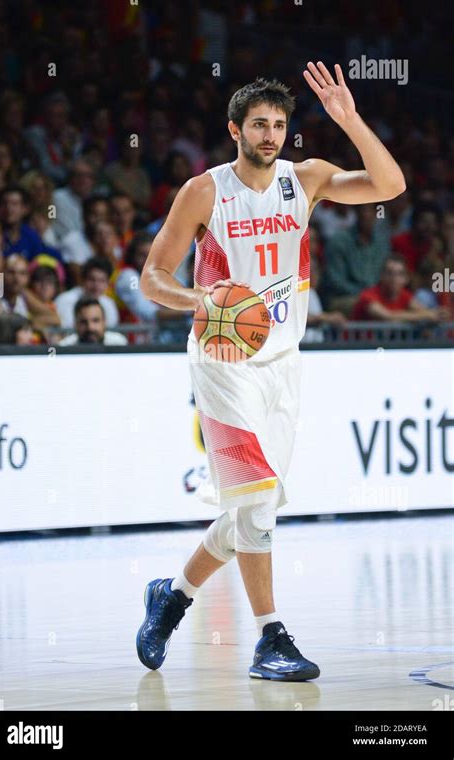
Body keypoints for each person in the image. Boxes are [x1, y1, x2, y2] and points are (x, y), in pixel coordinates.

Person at [136, 69, 406, 681]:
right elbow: (152, 277)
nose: (270, 134)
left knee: (249, 514)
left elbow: (390, 183)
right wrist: (201, 300)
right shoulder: (203, 191)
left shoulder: (305, 180)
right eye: (258, 123)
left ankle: (171, 598)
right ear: (234, 129)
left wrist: (348, 120)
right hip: (223, 359)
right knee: (256, 504)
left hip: (283, 362)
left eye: (279, 125)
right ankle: (270, 639)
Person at [352, 254, 447, 323]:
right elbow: (387, 316)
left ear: (406, 279)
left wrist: (436, 314)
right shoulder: (368, 295)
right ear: (381, 276)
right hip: (352, 348)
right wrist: (428, 315)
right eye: (389, 273)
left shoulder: (404, 295)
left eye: (399, 274)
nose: (394, 278)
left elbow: (423, 311)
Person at [54, 256, 119, 329]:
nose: (96, 285)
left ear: (108, 284)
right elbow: (64, 332)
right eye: (92, 279)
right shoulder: (65, 300)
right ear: (82, 280)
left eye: (102, 281)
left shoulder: (109, 304)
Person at [58, 296, 127, 346]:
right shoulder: (65, 347)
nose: (90, 327)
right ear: (75, 324)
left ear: (104, 322)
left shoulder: (119, 343)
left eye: (95, 321)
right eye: (83, 322)